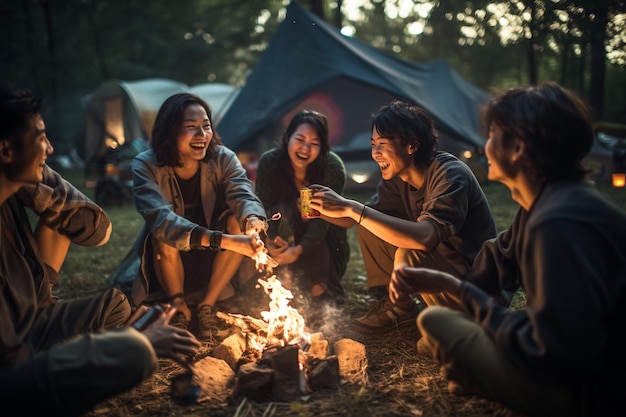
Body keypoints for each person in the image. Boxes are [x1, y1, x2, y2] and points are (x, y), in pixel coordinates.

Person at [389, 82, 626, 416]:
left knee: (437, 324)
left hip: (591, 392)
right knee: (438, 333)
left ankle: (476, 373)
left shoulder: (559, 223)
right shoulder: (545, 204)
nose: (485, 146)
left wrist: (480, 316)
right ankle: (472, 369)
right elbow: (498, 258)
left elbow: (557, 351)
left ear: (518, 148)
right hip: (573, 365)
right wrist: (450, 285)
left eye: (493, 133)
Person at [0, 86, 201, 417]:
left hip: (32, 321)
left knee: (116, 307)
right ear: (6, 150)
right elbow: (11, 359)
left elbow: (96, 229)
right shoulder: (146, 165)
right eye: (40, 137)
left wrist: (33, 188)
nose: (49, 148)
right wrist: (129, 344)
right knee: (135, 351)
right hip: (11, 373)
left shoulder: (18, 185)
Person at [310, 101, 497, 333]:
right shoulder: (397, 178)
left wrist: (352, 208)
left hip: (477, 290)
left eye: (383, 144)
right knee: (370, 222)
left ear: (412, 145)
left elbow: (425, 238)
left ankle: (458, 327)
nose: (375, 153)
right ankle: (400, 308)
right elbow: (354, 220)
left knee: (408, 251)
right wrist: (322, 208)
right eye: (373, 145)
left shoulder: (450, 174)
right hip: (442, 273)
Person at [127, 92, 268, 341]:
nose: (202, 135)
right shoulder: (145, 165)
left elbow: (242, 192)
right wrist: (226, 241)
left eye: (206, 126)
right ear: (169, 131)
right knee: (163, 234)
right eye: (191, 127)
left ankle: (207, 305)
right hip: (167, 260)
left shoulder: (224, 158)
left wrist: (253, 221)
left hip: (212, 260)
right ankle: (178, 305)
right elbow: (162, 221)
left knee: (237, 220)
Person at [254, 110, 350, 305]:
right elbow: (262, 205)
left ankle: (320, 286)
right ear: (288, 137)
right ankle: (284, 283)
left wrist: (299, 250)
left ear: (322, 147)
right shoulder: (270, 163)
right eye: (300, 139)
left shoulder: (331, 167)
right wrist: (271, 240)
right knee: (282, 210)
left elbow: (323, 221)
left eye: (314, 144)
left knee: (313, 211)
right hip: (280, 230)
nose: (306, 148)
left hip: (323, 238)